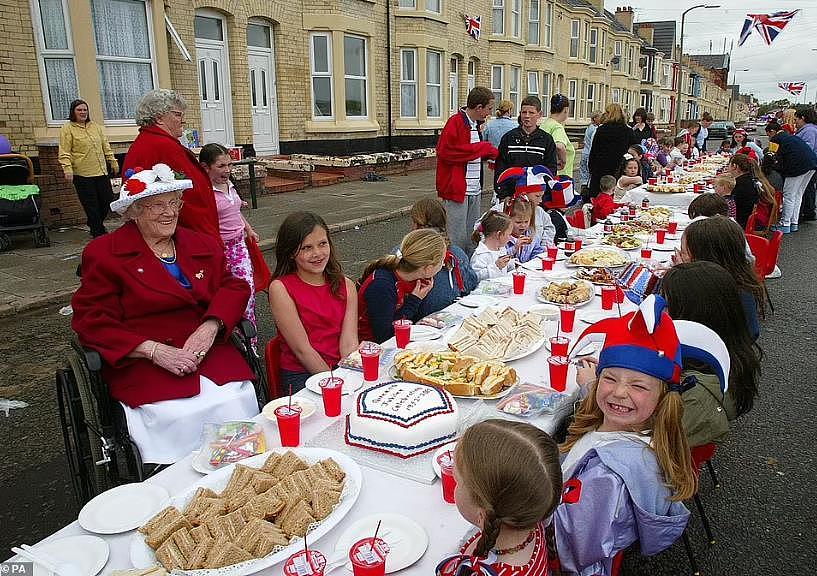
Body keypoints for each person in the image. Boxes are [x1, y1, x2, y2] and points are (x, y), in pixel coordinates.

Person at [71, 166, 258, 464]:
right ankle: (175, 477)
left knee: (235, 398)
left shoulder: (201, 243)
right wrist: (153, 351)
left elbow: (233, 285)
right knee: (175, 413)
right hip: (145, 358)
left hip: (206, 350)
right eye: (157, 205)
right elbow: (91, 319)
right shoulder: (104, 254)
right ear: (133, 211)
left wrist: (211, 326)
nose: (169, 212)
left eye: (174, 203)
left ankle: (239, 467)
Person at [555, 295, 717, 574]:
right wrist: (590, 389)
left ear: (663, 398)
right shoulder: (642, 430)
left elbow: (573, 549)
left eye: (638, 385)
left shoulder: (606, 479)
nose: (619, 392)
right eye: (610, 378)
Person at [123, 89, 270, 291]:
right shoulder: (159, 145)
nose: (182, 120)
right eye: (177, 114)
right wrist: (207, 242)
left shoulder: (159, 143)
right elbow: (182, 201)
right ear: (159, 118)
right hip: (186, 237)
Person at [435, 420, 562, 576]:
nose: (455, 485)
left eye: (458, 481)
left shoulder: (483, 572)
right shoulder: (529, 520)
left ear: (483, 514)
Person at [662, 262, 762, 447]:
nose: (660, 311)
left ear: (694, 315)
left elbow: (650, 443)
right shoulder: (730, 351)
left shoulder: (691, 390)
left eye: (667, 305)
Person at [268, 212, 358, 393]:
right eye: (306, 248)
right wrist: (336, 385)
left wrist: (351, 377)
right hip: (304, 373)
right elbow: (303, 350)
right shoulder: (280, 288)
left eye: (322, 244)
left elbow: (349, 344)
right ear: (291, 252)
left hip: (341, 370)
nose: (317, 254)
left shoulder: (346, 285)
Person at [199, 144, 261, 332]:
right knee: (224, 293)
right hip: (220, 249)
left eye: (230, 165)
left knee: (247, 290)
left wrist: (249, 229)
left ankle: (250, 337)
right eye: (221, 166)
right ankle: (230, 331)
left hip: (239, 245)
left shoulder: (229, 185)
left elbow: (235, 212)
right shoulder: (204, 192)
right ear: (205, 167)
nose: (227, 170)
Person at [675, 215, 764, 340]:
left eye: (683, 252)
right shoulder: (741, 281)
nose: (679, 255)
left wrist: (682, 275)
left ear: (704, 257)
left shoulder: (708, 294)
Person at [436, 87, 499, 254]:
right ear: (479, 107)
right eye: (489, 108)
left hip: (474, 189)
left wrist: (487, 154)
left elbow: (470, 154)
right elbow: (447, 152)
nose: (489, 113)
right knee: (456, 238)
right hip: (457, 190)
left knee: (473, 236)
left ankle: (471, 272)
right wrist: (482, 148)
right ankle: (457, 273)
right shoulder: (455, 122)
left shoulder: (476, 125)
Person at [358, 229, 446, 343]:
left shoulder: (415, 278)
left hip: (393, 338)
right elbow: (385, 336)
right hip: (370, 348)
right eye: (442, 261)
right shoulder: (382, 286)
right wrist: (415, 300)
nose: (443, 264)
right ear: (428, 268)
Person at [403, 198, 479, 317]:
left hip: (409, 323)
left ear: (415, 224)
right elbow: (471, 286)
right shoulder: (456, 254)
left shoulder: (401, 253)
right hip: (452, 317)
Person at [58, 99, 118, 238]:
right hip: (82, 174)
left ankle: (94, 223)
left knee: (107, 200)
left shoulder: (96, 127)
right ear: (73, 112)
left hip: (100, 171)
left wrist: (113, 161)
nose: (83, 112)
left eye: (85, 110)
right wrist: (67, 169)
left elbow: (106, 146)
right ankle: (98, 232)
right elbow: (64, 151)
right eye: (79, 110)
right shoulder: (68, 129)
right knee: (91, 205)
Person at [494, 96, 558, 201]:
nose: (527, 116)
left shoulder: (546, 140)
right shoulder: (509, 138)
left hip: (537, 199)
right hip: (512, 196)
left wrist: (542, 195)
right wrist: (503, 195)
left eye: (531, 113)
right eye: (524, 112)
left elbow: (550, 170)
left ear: (539, 114)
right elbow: (500, 168)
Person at [495, 165, 558, 247]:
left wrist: (544, 246)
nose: (541, 200)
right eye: (537, 196)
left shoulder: (539, 211)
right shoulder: (502, 208)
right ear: (523, 194)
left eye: (542, 196)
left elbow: (549, 228)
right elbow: (482, 228)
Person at [768, 126, 817, 233]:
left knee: (789, 195)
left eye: (768, 134)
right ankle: (793, 222)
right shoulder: (789, 137)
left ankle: (785, 223)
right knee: (798, 194)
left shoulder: (776, 139)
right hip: (811, 164)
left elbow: (773, 156)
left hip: (797, 167)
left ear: (771, 132)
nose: (769, 138)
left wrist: (773, 166)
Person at [588, 103, 638, 199]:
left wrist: (591, 168)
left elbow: (594, 150)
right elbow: (634, 149)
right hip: (620, 167)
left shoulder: (601, 130)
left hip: (601, 167)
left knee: (600, 197)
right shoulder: (627, 131)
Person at [538, 94, 575, 178]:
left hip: (546, 173)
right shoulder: (557, 127)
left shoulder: (544, 124)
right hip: (561, 177)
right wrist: (563, 161)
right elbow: (559, 146)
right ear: (566, 110)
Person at [471, 210, 514, 280]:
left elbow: (503, 270)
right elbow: (475, 277)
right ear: (499, 234)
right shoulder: (480, 254)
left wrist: (511, 264)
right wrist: (496, 266)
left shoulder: (501, 249)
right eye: (509, 234)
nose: (510, 238)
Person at [504, 196, 544, 263]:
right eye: (518, 222)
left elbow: (537, 251)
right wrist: (515, 248)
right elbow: (499, 257)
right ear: (508, 219)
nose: (523, 225)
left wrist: (535, 260)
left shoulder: (531, 234)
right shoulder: (502, 238)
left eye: (526, 221)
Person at [794, 107, 817, 221]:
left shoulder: (809, 131)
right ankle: (807, 210)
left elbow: (807, 148)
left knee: (806, 188)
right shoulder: (809, 130)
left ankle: (807, 211)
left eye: (796, 119)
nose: (795, 122)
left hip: (808, 164)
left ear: (802, 118)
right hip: (810, 163)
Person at [727, 154, 761, 228]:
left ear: (735, 166)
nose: (727, 167)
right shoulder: (750, 179)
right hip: (745, 218)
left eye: (728, 164)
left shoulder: (739, 185)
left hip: (739, 222)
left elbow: (730, 206)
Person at [580, 111, 603, 196]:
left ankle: (584, 191)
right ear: (595, 118)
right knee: (588, 175)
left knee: (584, 175)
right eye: (600, 117)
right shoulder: (594, 129)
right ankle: (586, 193)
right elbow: (593, 143)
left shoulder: (589, 127)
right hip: (589, 153)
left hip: (585, 152)